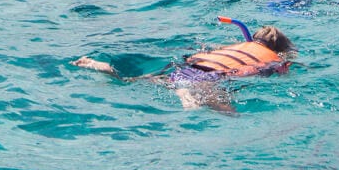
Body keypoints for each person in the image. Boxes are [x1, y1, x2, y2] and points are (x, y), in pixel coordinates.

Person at [75, 20, 295, 113]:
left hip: (186, 70)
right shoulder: (272, 57)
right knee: (230, 113)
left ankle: (102, 67)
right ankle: (185, 94)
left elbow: (194, 58)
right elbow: (278, 70)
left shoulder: (227, 48)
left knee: (131, 81)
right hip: (210, 77)